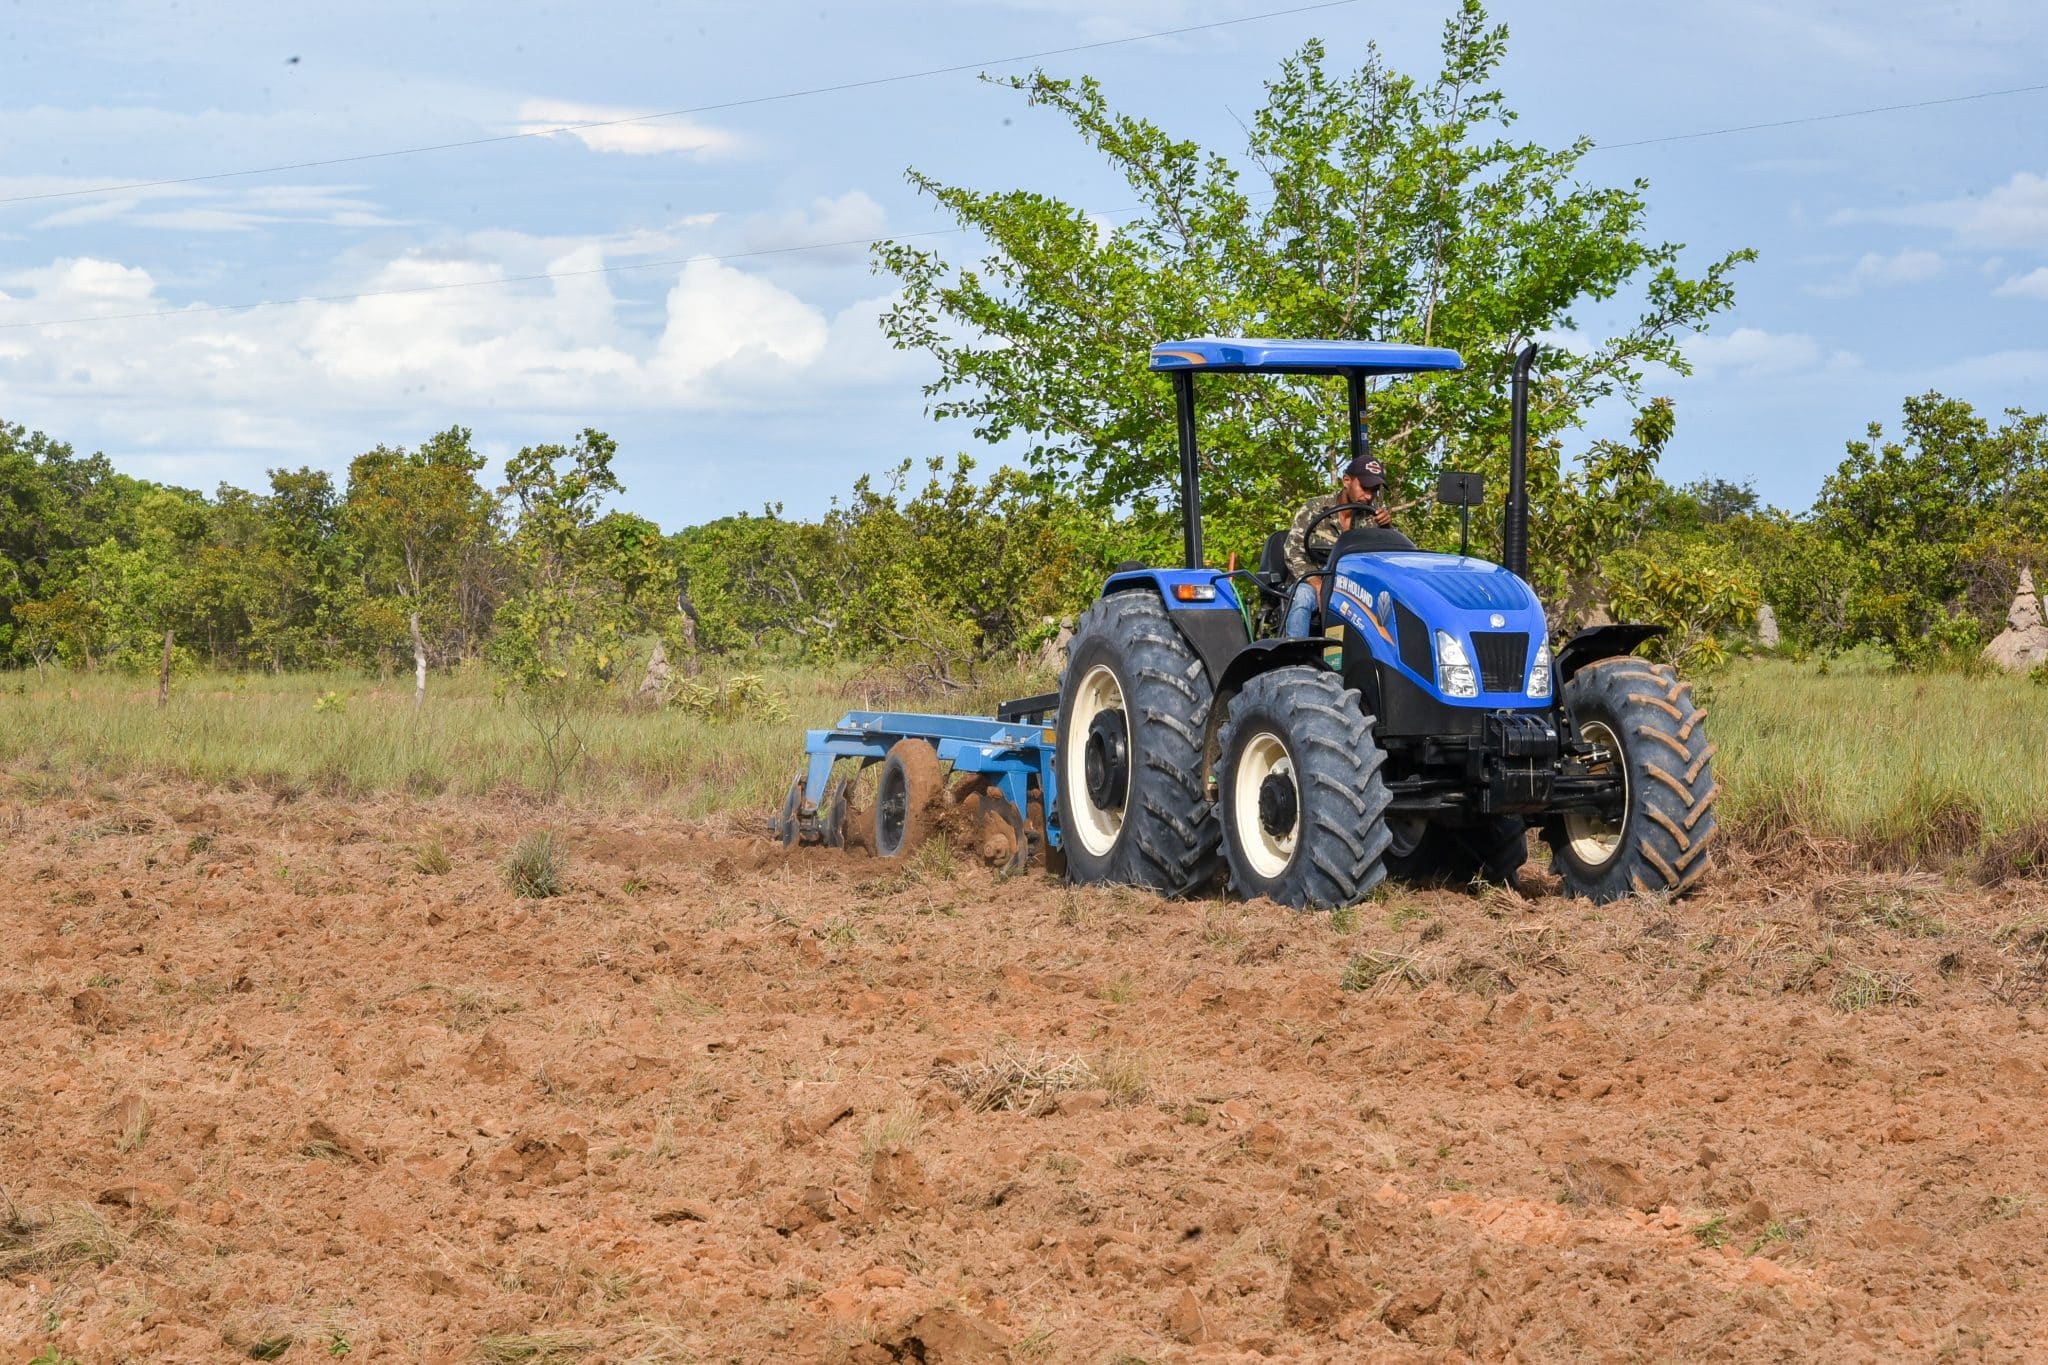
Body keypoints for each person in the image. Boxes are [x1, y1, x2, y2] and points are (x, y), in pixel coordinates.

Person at [1282, 454, 1391, 637]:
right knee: (1301, 597)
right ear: (1347, 481)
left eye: (1374, 490)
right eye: (1364, 488)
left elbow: (1384, 560)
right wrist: (1316, 582)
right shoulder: (1314, 509)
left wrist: (1387, 529)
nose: (1369, 496)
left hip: (1353, 586)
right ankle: (1296, 658)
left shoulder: (1373, 519)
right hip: (1312, 579)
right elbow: (1292, 551)